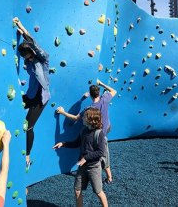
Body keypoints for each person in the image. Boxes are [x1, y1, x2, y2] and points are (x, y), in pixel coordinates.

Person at [56, 79, 116, 183]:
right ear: (99, 93)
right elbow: (113, 91)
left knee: (102, 154)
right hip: (106, 128)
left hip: (97, 134)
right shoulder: (104, 99)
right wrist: (101, 83)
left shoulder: (89, 109)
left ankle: (107, 176)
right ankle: (108, 176)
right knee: (103, 152)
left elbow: (75, 118)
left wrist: (62, 112)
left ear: (91, 96)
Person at [13, 17, 51, 170]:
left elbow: (33, 43)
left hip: (41, 99)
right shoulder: (28, 62)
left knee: (28, 126)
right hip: (31, 95)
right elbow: (27, 45)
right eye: (25, 57)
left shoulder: (42, 60)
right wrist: (20, 33)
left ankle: (27, 155)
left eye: (28, 55)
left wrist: (21, 24)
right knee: (14, 101)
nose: (27, 58)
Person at [53, 108, 108, 207]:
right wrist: (63, 143)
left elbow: (100, 152)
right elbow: (76, 143)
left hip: (93, 167)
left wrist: (86, 158)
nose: (82, 118)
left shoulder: (99, 134)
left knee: (98, 192)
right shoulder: (83, 130)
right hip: (82, 167)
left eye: (84, 116)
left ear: (91, 119)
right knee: (77, 190)